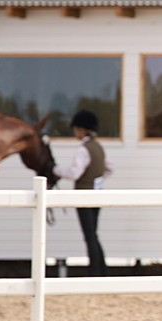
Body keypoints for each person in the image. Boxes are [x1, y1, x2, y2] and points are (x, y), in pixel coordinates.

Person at [53, 109, 112, 276]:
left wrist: (55, 170)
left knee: (89, 236)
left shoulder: (83, 149)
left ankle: (95, 272)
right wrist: (96, 177)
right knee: (93, 234)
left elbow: (74, 173)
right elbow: (108, 168)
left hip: (83, 196)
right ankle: (102, 270)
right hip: (97, 195)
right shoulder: (98, 147)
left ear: (81, 129)